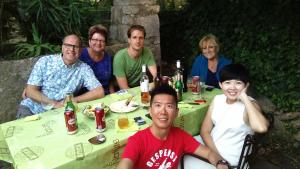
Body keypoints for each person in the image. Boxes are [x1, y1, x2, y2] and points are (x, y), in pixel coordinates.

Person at [117, 85, 229, 169]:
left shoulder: (180, 136)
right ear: (150, 111)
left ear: (176, 112)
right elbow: (125, 164)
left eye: (169, 106)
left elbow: (209, 153)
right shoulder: (138, 140)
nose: (163, 112)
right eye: (158, 105)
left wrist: (221, 163)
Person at [196, 63, 269, 166]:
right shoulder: (218, 99)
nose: (232, 87)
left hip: (230, 159)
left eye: (238, 83)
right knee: (178, 145)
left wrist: (244, 97)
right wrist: (217, 157)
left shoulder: (250, 105)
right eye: (227, 82)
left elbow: (261, 128)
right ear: (221, 85)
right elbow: (205, 130)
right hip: (213, 150)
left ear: (246, 85)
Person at [16, 34, 105, 118]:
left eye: (76, 46)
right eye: (68, 45)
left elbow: (99, 92)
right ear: (62, 47)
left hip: (60, 114)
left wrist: (73, 100)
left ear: (81, 50)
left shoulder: (83, 69)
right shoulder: (45, 61)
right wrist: (54, 104)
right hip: (33, 109)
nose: (72, 49)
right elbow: (30, 91)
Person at [113, 25, 157, 89]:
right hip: (122, 92)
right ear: (129, 40)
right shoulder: (119, 57)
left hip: (139, 87)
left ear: (144, 40)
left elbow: (155, 75)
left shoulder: (147, 52)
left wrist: (154, 86)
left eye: (141, 38)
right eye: (134, 37)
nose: (138, 41)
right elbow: (124, 87)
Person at [79, 24, 115, 95]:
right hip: (84, 97)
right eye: (95, 40)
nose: (98, 43)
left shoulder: (108, 58)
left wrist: (114, 96)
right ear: (89, 41)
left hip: (105, 95)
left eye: (102, 40)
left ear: (105, 43)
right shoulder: (80, 55)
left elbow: (110, 82)